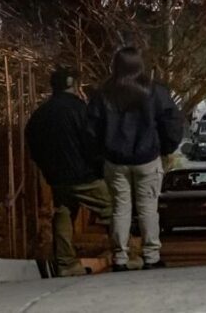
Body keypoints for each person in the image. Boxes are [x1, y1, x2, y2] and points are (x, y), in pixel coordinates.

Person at [88, 47, 182, 272]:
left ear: (115, 66)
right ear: (140, 65)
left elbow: (91, 130)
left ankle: (120, 257)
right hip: (147, 158)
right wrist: (167, 147)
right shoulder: (154, 91)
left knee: (120, 208)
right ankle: (151, 256)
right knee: (148, 208)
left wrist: (99, 155)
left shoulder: (103, 94)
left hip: (115, 160)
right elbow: (172, 120)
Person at [26, 67, 110, 277]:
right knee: (113, 208)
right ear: (74, 85)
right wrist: (99, 166)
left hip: (56, 178)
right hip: (83, 175)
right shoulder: (79, 109)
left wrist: (47, 169)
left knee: (64, 212)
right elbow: (91, 142)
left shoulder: (39, 115)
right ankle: (125, 254)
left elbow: (33, 145)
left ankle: (66, 263)